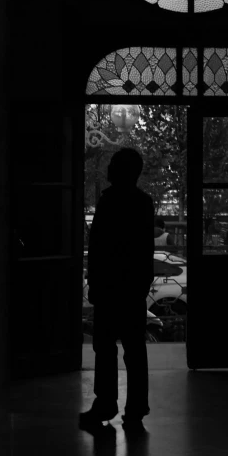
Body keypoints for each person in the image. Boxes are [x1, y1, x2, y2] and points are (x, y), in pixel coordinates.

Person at [80, 148, 155, 432]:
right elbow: (144, 249)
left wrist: (95, 282)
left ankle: (105, 403)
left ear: (119, 170)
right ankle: (136, 409)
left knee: (105, 348)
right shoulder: (143, 203)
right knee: (134, 350)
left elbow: (100, 248)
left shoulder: (109, 201)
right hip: (132, 290)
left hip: (110, 289)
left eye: (112, 164)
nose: (108, 168)